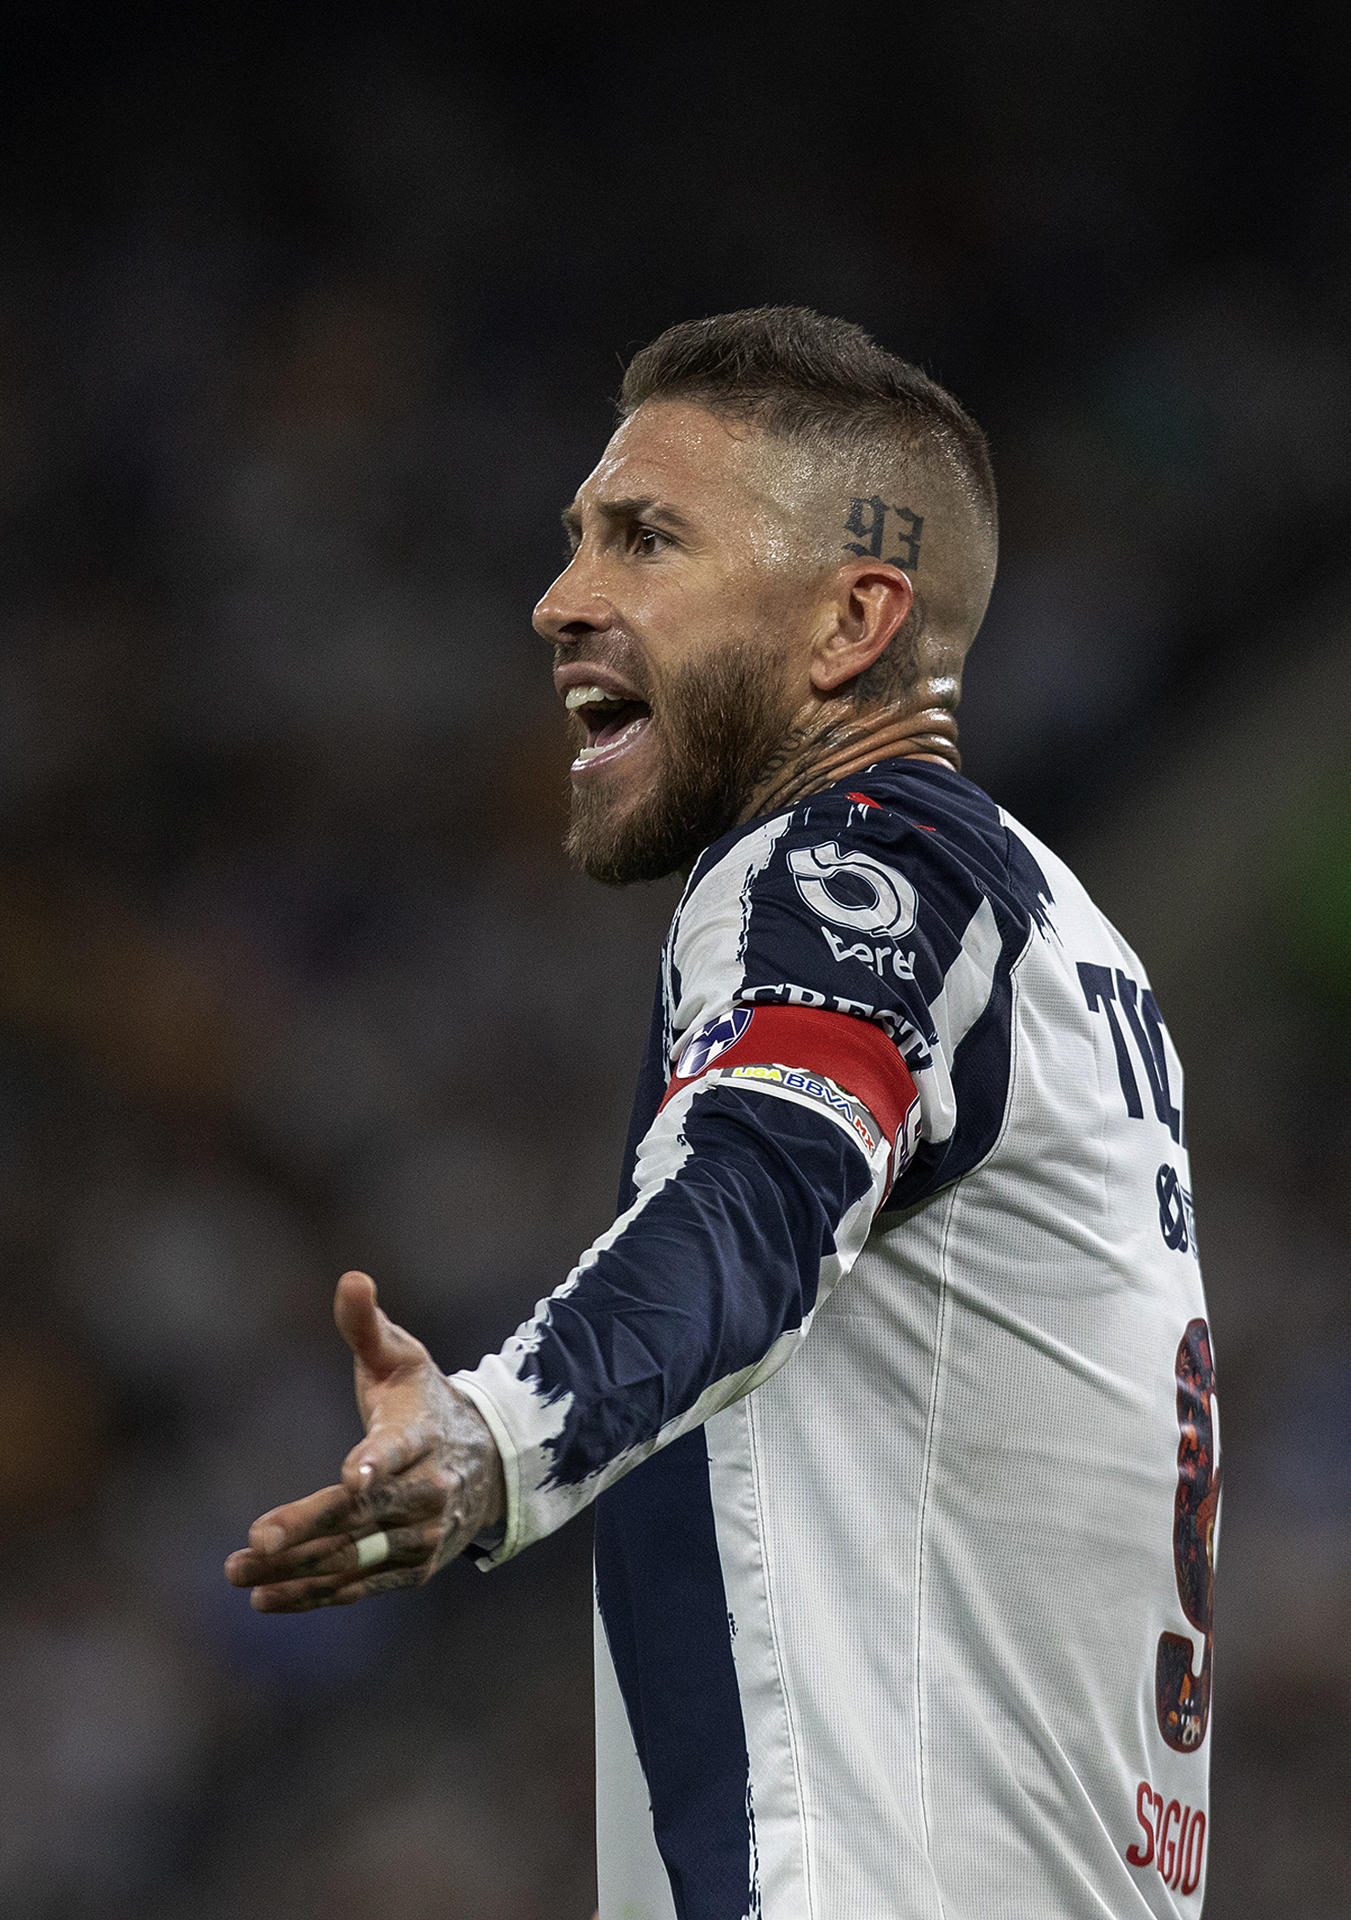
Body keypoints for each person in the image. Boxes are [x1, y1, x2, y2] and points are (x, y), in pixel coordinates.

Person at [226, 307, 1219, 1918]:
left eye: (646, 537)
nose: (561, 598)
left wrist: (491, 1435)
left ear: (850, 621)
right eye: (578, 538)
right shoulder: (1066, 939)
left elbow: (758, 1194)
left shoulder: (857, 858)